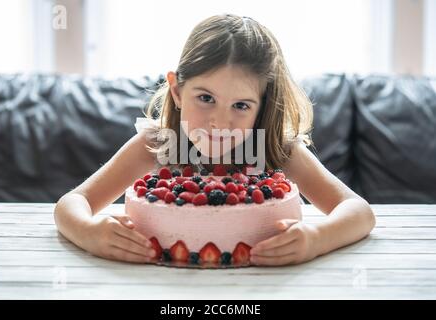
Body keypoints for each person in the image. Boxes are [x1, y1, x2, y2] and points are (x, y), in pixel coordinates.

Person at [54, 14, 375, 266]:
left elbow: (358, 212)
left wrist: (317, 238)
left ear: (263, 105)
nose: (220, 122)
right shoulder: (156, 145)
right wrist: (89, 232)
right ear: (177, 91)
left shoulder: (278, 152)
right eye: (206, 98)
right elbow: (71, 203)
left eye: (241, 105)